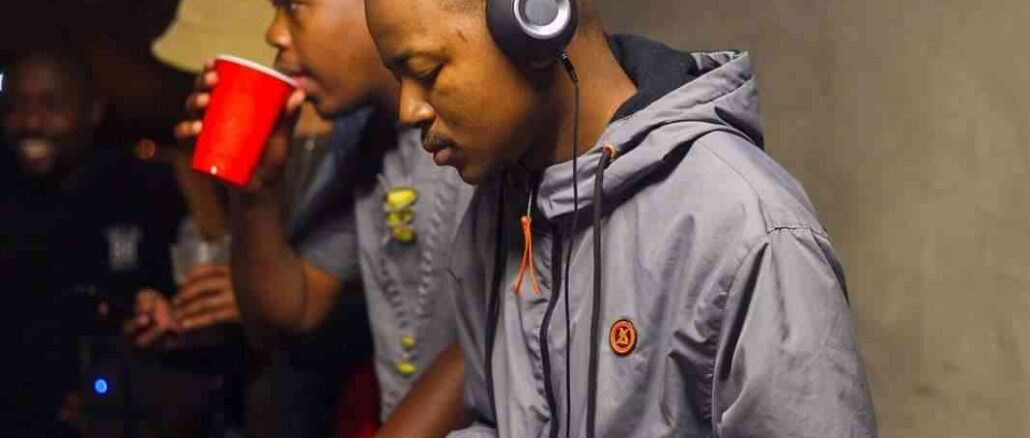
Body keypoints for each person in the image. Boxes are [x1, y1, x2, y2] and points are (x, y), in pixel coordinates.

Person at [365, 0, 878, 436]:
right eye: (398, 80)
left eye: (426, 72)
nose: (409, 110)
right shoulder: (495, 214)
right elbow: (499, 419)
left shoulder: (747, 230)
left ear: (533, 20)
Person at [176, 0, 474, 435]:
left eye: (294, 6)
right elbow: (288, 313)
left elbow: (490, 334)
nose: (274, 34)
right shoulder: (363, 137)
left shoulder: (485, 122)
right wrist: (256, 192)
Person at [0, 49, 185, 436]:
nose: (32, 122)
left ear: (93, 110)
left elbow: (179, 299)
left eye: (51, 106)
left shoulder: (144, 189)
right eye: (16, 107)